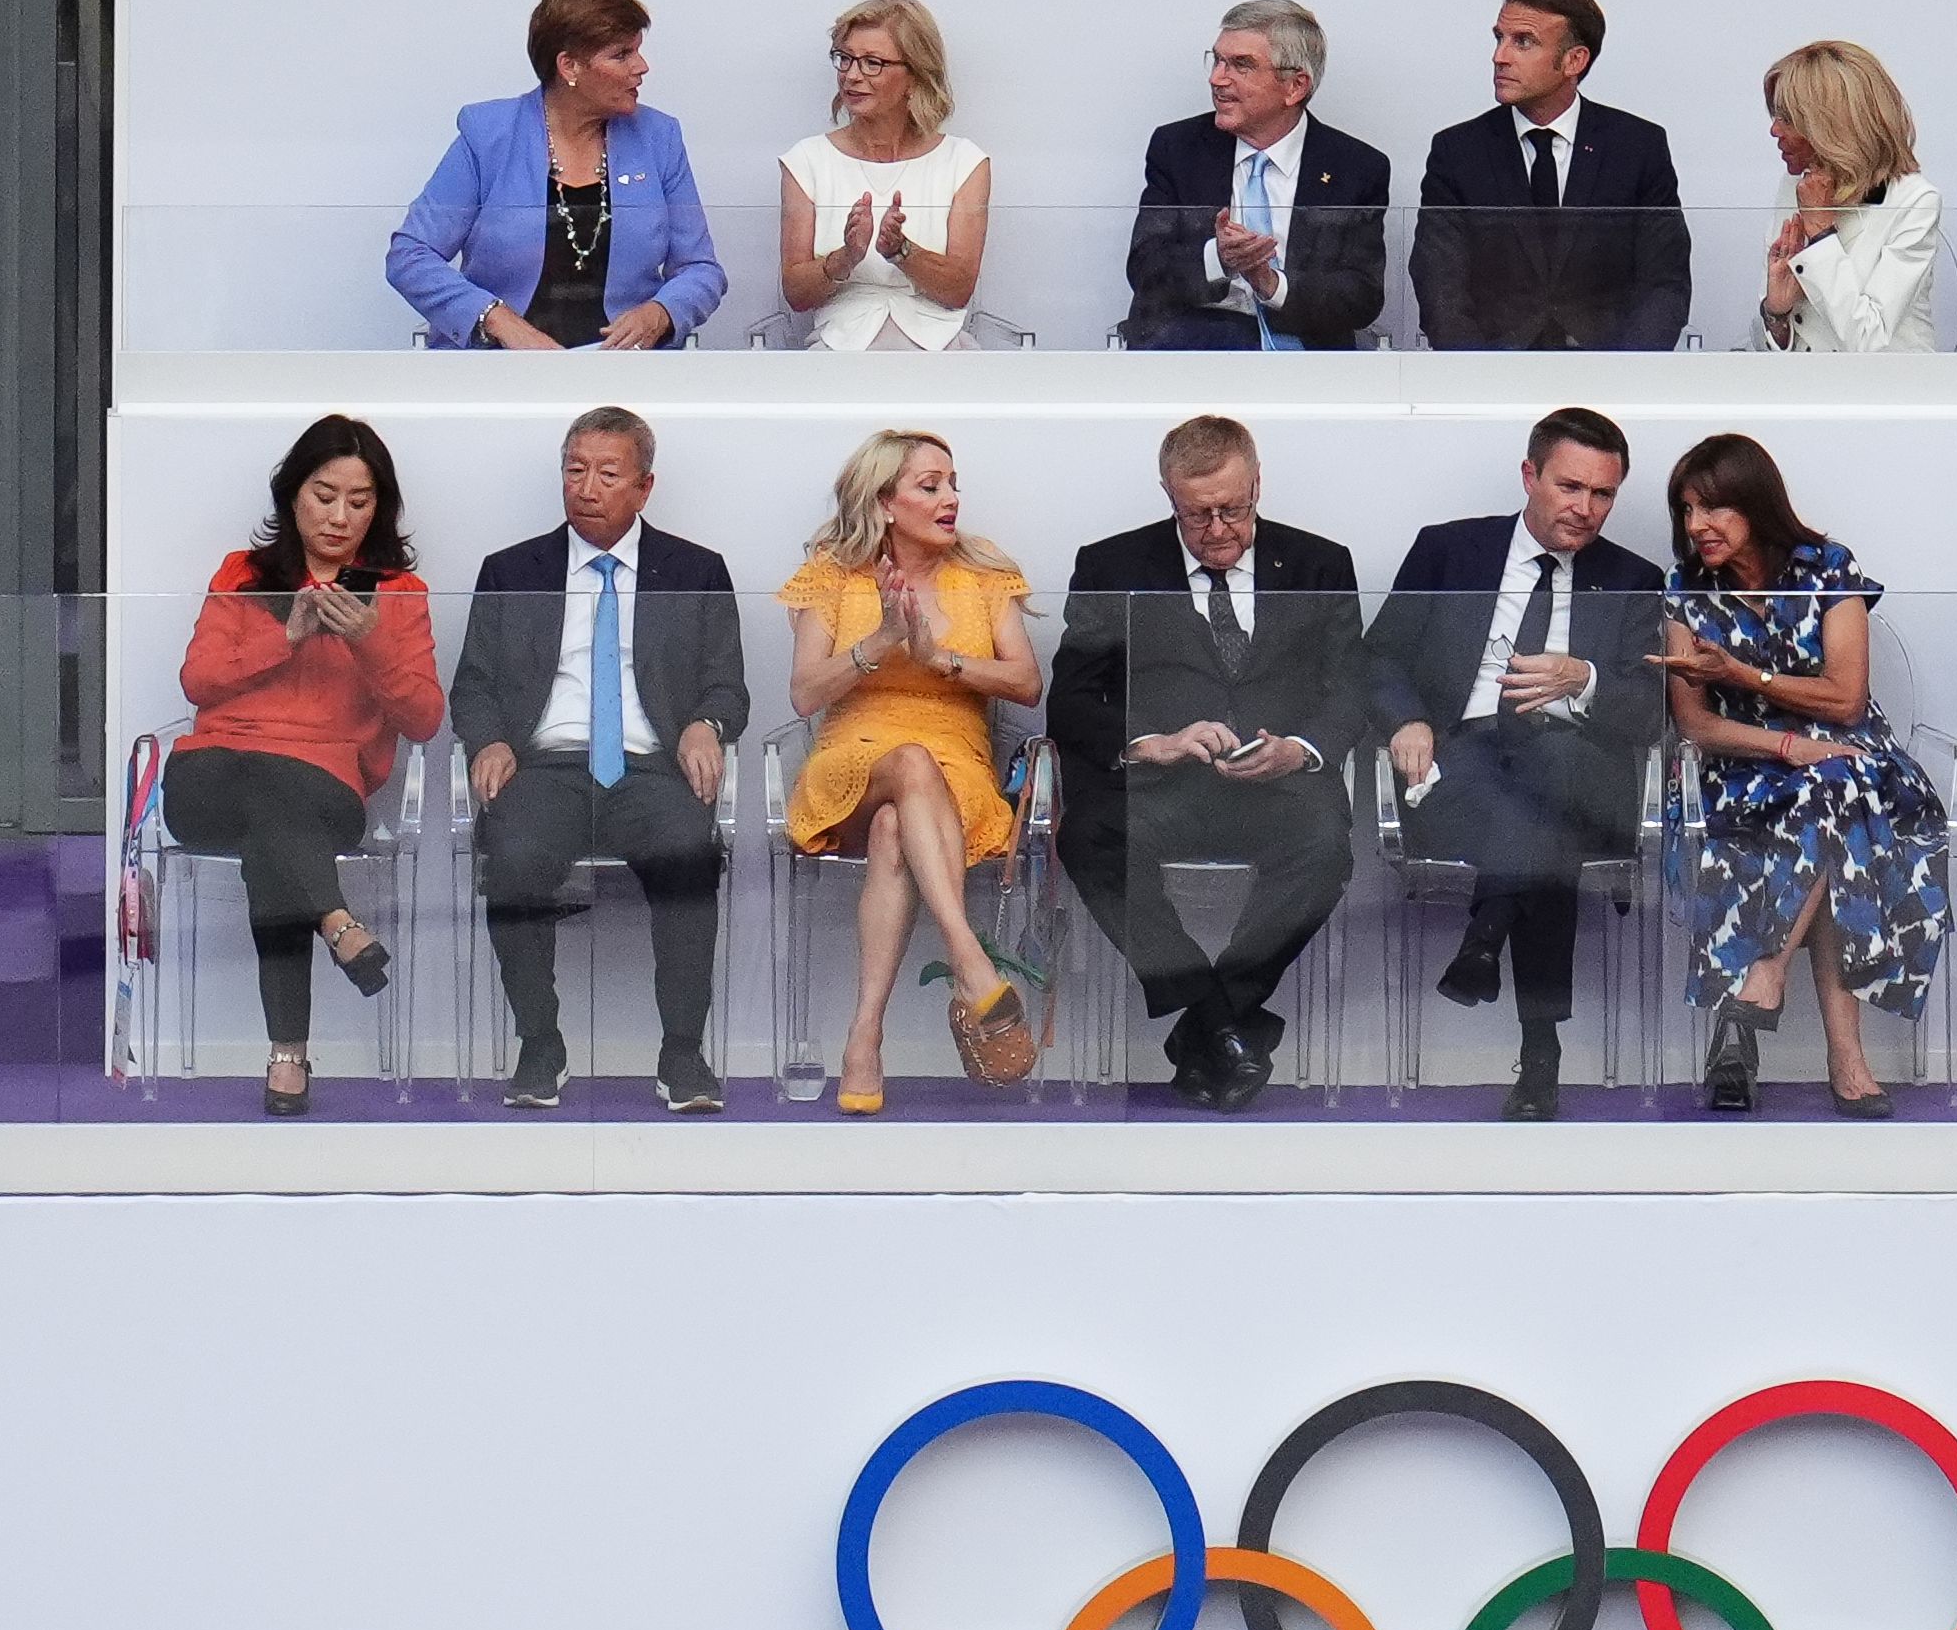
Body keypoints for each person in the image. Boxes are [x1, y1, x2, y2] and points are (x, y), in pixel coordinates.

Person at [1050, 416, 1366, 1111]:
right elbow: (1069, 702)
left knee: (1325, 852)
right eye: (1197, 516)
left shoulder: (1320, 563)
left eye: (1233, 508)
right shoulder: (1112, 565)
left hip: (1279, 787)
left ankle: (1207, 1025)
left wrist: (1301, 749)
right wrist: (1151, 741)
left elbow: (1352, 689)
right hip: (1168, 787)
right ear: (1169, 498)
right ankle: (1217, 1018)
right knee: (1087, 836)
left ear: (1258, 485)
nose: (1218, 528)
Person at [1366, 406, 1667, 1120]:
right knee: (1537, 821)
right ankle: (1540, 1053)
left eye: (1604, 494)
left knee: (1553, 758)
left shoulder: (1633, 577)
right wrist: (1407, 718)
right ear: (1529, 475)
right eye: (1570, 487)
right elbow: (1375, 656)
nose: (1586, 509)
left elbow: (1653, 711)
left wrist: (1583, 680)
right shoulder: (1450, 551)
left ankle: (1488, 930)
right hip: (1464, 770)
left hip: (1582, 772)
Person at [450, 407, 747, 1111]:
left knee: (686, 856)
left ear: (644, 487)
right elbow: (474, 687)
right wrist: (490, 739)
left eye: (607, 474)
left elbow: (726, 684)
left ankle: (682, 1053)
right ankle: (539, 1043)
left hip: (650, 767)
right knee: (515, 860)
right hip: (546, 765)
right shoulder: (512, 569)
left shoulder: (695, 570)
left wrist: (706, 723)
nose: (586, 487)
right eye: (574, 470)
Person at [1650, 434, 1949, 1118]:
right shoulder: (1686, 591)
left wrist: (1742, 675)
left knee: (1839, 788)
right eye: (1688, 510)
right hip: (1742, 764)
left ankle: (1765, 972)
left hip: (1852, 758)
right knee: (1838, 808)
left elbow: (1845, 698)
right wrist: (1787, 745)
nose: (1699, 526)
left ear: (1756, 504)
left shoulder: (1827, 569)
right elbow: (1697, 724)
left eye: (1716, 508)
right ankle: (1847, 1059)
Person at [164, 415, 444, 1116]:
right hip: (214, 776)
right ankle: (337, 924)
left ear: (380, 507)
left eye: (360, 500)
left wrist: (370, 644)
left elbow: (424, 720)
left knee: (275, 836)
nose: (340, 516)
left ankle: (289, 1052)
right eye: (324, 495)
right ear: (293, 494)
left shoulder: (399, 593)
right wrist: (285, 639)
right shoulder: (243, 574)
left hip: (321, 789)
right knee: (263, 786)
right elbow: (197, 683)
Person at [777, 429, 1044, 1115]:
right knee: (905, 766)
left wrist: (937, 658)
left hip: (958, 768)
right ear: (885, 502)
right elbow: (805, 693)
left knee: (900, 822)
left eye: (952, 483)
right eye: (930, 486)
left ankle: (863, 1037)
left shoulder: (985, 575)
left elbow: (1025, 683)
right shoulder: (830, 575)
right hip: (850, 766)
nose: (950, 498)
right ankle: (969, 960)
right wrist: (881, 643)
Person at [388, 0, 727, 349]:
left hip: (626, 373)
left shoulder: (659, 137)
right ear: (569, 67)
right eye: (622, 54)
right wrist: (496, 319)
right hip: (501, 368)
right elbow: (411, 256)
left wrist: (661, 312)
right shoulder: (489, 135)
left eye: (638, 51)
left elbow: (701, 270)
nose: (641, 67)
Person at [1413, 0, 1691, 351]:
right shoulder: (1458, 152)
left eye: (1523, 42)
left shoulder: (1637, 147)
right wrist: (1476, 375)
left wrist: (1627, 373)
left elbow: (1664, 282)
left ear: (1574, 60)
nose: (1500, 56)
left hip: (1607, 374)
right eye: (1500, 38)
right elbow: (1439, 286)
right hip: (1491, 373)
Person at [1119, 0, 1391, 349]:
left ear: (1295, 86)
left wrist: (1269, 283)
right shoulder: (1178, 149)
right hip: (1192, 349)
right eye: (1217, 60)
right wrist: (1219, 257)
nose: (1217, 79)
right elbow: (1145, 268)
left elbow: (1361, 296)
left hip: (1307, 357)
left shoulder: (1356, 167)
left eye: (1241, 65)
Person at [776, 0, 993, 351]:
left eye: (872, 63)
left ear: (915, 75)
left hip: (941, 354)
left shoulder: (965, 161)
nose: (851, 75)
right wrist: (847, 257)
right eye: (844, 59)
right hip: (837, 352)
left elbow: (958, 290)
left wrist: (901, 251)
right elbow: (797, 294)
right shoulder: (807, 159)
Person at [1754, 41, 1942, 353]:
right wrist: (1776, 314)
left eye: (1787, 117)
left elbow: (1868, 338)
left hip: (1890, 392)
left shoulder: (1914, 201)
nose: (1774, 130)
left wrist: (1822, 236)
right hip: (1803, 392)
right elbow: (1767, 345)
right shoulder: (1794, 186)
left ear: (1830, 124)